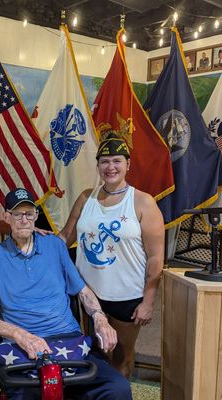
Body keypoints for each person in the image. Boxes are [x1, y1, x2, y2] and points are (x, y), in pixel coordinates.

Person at [0, 188, 132, 400]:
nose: (23, 220)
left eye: (29, 213)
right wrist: (20, 335)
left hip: (68, 340)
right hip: (22, 345)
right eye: (17, 214)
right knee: (26, 394)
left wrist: (100, 318)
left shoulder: (54, 245)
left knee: (117, 388)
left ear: (36, 216)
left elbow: (82, 291)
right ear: (7, 217)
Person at [59, 133, 164, 378]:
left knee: (121, 357)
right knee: (92, 353)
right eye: (104, 161)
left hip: (126, 296)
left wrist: (148, 302)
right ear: (97, 166)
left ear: (128, 164)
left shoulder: (143, 203)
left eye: (117, 160)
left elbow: (156, 258)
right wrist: (33, 237)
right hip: (87, 295)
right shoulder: (86, 198)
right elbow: (64, 238)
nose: (110, 167)